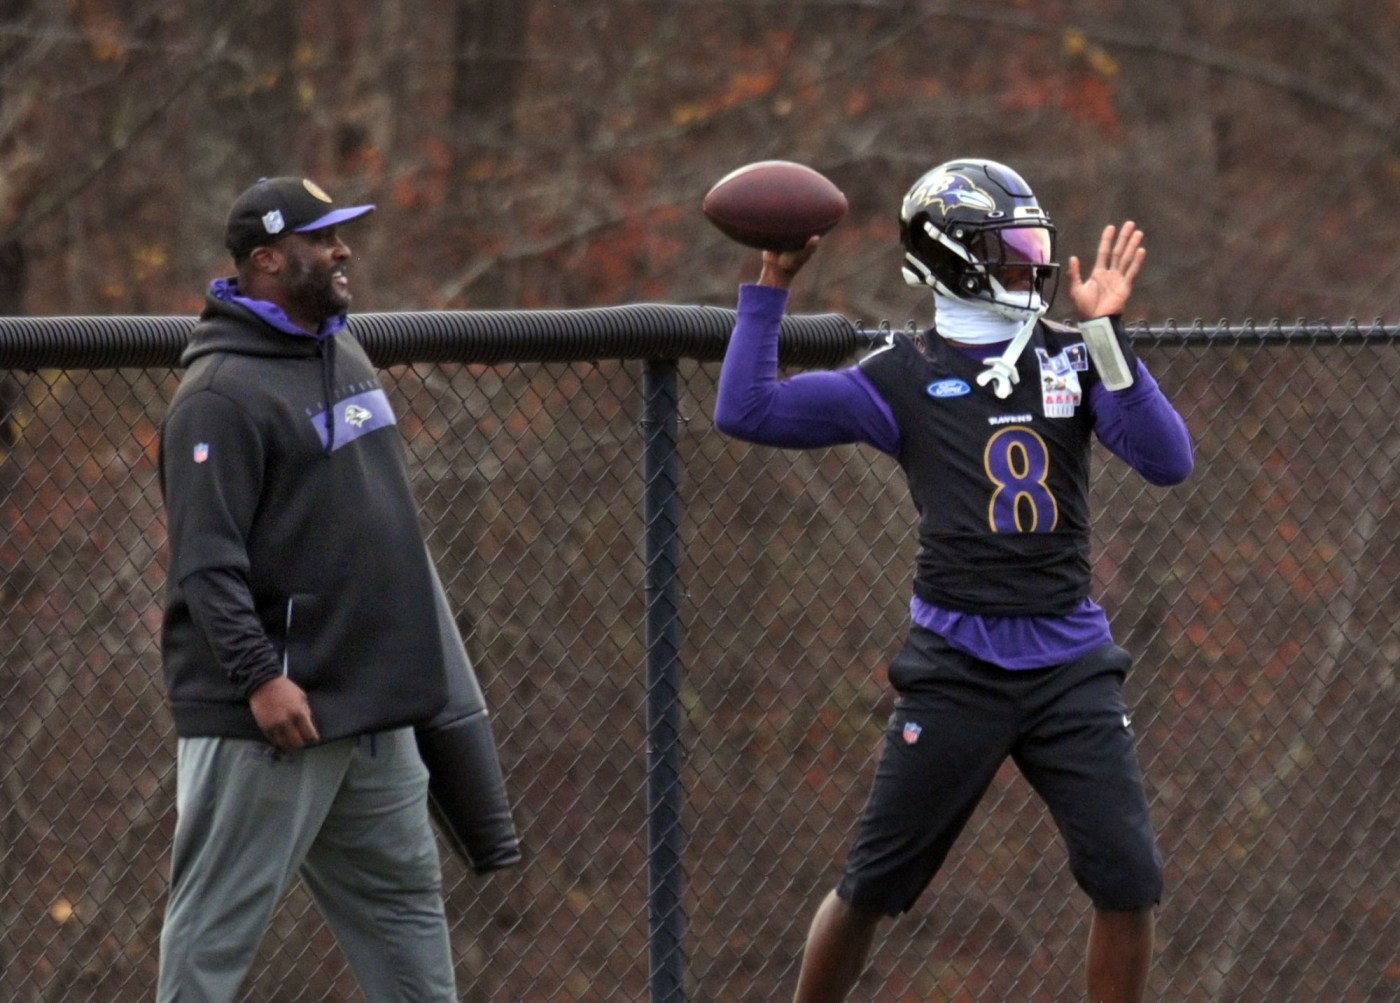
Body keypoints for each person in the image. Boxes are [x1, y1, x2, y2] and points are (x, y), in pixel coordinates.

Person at [714, 158, 1194, 1003]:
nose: (1032, 265)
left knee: (1129, 879)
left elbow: (1167, 459)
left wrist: (1107, 336)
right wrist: (772, 282)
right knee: (872, 885)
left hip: (1070, 664)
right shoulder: (900, 376)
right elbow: (746, 409)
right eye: (1011, 249)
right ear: (952, 257)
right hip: (958, 667)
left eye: (1033, 247)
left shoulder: (1071, 357)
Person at [156, 176, 464, 1000]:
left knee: (405, 909)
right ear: (266, 260)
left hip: (371, 709)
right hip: (274, 719)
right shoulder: (217, 397)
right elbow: (206, 563)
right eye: (322, 239)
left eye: (339, 235)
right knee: (215, 928)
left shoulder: (342, 350)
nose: (342, 250)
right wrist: (260, 677)